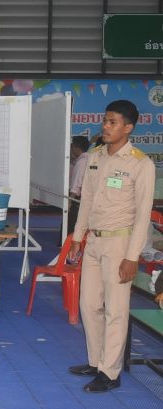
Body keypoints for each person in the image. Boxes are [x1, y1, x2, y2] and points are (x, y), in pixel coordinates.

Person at [67, 100, 155, 393]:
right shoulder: (95, 157)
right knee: (89, 304)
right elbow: (87, 202)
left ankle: (110, 371)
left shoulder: (140, 163)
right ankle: (96, 361)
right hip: (93, 240)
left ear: (128, 128)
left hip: (120, 242)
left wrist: (132, 256)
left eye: (113, 122)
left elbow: (143, 214)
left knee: (115, 309)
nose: (106, 126)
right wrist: (78, 238)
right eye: (105, 121)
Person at [67, 135, 90, 235]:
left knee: (72, 226)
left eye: (72, 146)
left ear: (76, 147)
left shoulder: (82, 162)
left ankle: (68, 247)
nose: (70, 149)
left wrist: (70, 201)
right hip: (83, 199)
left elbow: (77, 184)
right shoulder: (85, 159)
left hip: (77, 200)